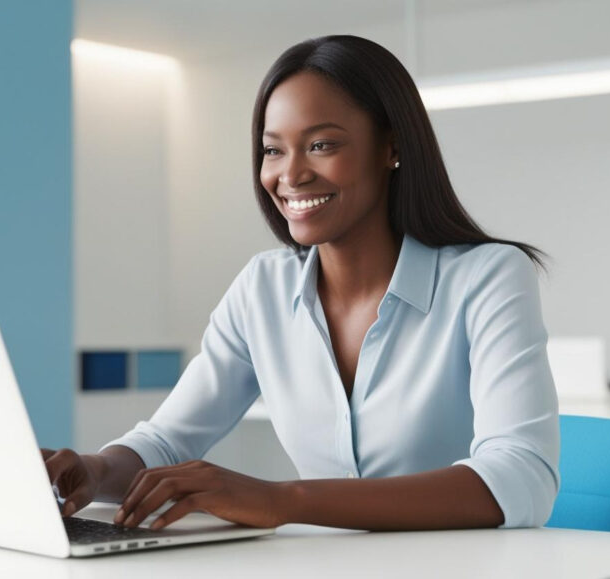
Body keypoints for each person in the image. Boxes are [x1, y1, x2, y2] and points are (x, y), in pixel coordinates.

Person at [43, 34, 560, 532]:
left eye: (320, 144)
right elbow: (165, 441)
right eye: (273, 150)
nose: (290, 175)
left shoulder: (488, 276)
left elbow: (520, 476)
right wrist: (93, 471)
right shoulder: (261, 289)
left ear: (392, 147)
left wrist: (281, 499)